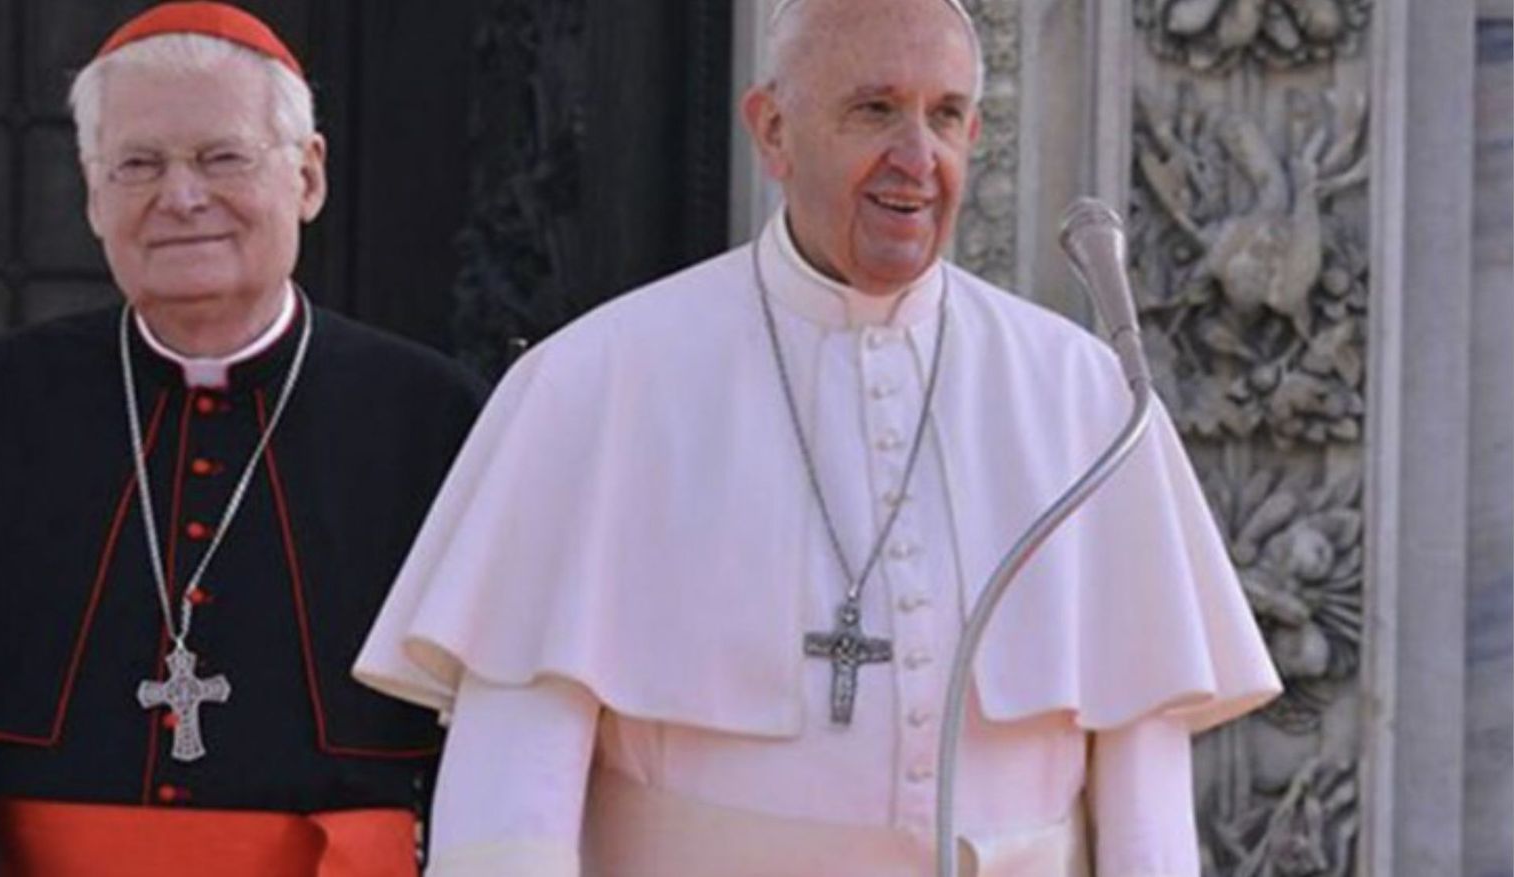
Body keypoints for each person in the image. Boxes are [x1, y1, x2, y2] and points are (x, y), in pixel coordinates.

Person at [354, 0, 1281, 874]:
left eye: (946, 115)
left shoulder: (1083, 396)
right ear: (771, 131)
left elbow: (1145, 779)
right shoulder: (596, 385)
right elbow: (510, 798)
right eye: (875, 109)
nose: (916, 156)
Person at [0, 4, 482, 874]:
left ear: (309, 176)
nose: (181, 197)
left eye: (223, 157)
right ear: (93, 192)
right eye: (138, 163)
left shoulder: (432, 416)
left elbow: (497, 721)